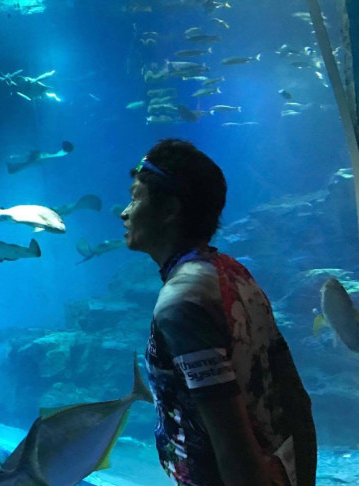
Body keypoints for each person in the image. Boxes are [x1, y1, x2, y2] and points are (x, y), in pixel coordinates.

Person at [119, 139, 316, 486]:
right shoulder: (231, 272)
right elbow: (295, 397)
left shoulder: (182, 302)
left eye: (136, 197)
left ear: (169, 210)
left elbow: (231, 443)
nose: (125, 211)